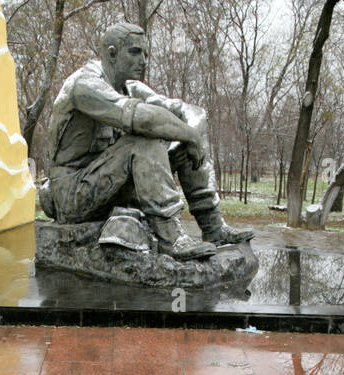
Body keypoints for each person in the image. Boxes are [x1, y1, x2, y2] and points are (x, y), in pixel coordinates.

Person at [41, 21, 254, 260]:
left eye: (145, 53)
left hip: (109, 188)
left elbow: (191, 111)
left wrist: (190, 137)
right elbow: (144, 120)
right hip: (72, 196)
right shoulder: (84, 85)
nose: (143, 60)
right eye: (134, 52)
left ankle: (213, 228)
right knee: (144, 142)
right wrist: (189, 134)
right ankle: (171, 237)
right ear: (112, 53)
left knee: (183, 146)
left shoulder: (131, 87)